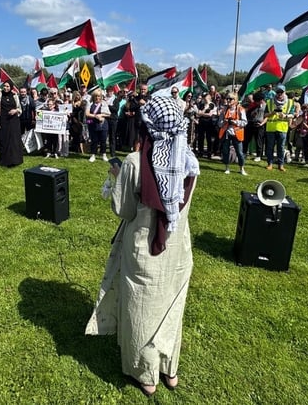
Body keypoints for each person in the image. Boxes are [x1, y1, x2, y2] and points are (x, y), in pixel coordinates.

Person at [85, 95, 200, 397]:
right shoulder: (190, 160)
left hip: (144, 250)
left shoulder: (134, 162)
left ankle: (146, 374)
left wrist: (116, 177)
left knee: (141, 310)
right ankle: (169, 369)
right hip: (178, 249)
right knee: (169, 309)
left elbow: (123, 210)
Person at [264, 84, 296, 171]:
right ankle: (270, 164)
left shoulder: (290, 102)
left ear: (284, 92)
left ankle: (281, 165)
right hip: (271, 128)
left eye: (281, 92)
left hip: (282, 128)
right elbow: (265, 115)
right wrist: (272, 113)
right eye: (278, 92)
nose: (279, 94)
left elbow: (292, 115)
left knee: (281, 148)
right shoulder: (269, 102)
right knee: (270, 147)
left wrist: (285, 116)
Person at [218, 94, 248, 175]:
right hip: (226, 133)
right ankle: (227, 168)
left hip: (237, 134)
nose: (228, 100)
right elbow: (219, 123)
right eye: (227, 98)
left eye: (230, 99)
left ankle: (242, 169)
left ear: (235, 100)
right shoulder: (224, 110)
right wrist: (225, 121)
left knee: (240, 152)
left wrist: (235, 122)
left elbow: (245, 122)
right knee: (225, 151)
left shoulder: (240, 109)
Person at [0, 81, 23, 167]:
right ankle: (5, 160)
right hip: (4, 120)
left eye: (8, 86)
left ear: (11, 87)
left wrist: (15, 110)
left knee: (14, 140)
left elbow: (20, 109)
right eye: (4, 86)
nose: (5, 88)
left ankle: (15, 160)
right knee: (5, 139)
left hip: (14, 120)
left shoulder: (15, 96)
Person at [86, 90, 111, 162]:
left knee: (103, 140)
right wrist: (95, 116)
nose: (97, 98)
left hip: (103, 124)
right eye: (96, 96)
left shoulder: (104, 104)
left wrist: (101, 115)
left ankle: (104, 154)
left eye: (99, 96)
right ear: (93, 97)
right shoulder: (90, 104)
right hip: (93, 124)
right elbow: (87, 114)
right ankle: (93, 155)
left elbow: (109, 114)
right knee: (94, 140)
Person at [243, 92, 266, 162]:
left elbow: (267, 116)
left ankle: (258, 156)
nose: (256, 102)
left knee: (259, 141)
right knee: (246, 139)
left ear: (262, 100)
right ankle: (244, 153)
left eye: (258, 101)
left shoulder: (266, 106)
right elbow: (247, 113)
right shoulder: (252, 105)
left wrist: (262, 123)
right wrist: (252, 114)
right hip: (250, 123)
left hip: (260, 124)